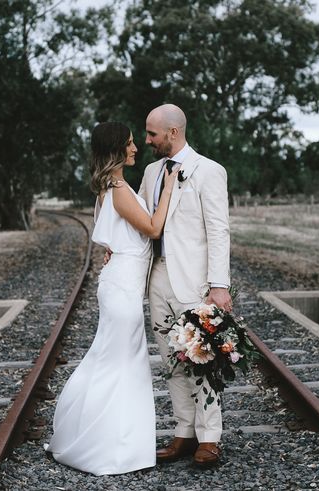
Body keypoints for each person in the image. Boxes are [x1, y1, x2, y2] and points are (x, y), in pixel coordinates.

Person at [45, 121, 178, 475]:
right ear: (117, 149)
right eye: (131, 144)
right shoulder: (118, 187)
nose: (136, 148)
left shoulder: (110, 187)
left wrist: (115, 250)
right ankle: (108, 447)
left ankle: (113, 441)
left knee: (114, 362)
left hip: (121, 284)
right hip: (122, 290)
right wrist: (167, 190)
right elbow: (152, 229)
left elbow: (112, 237)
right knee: (121, 364)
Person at [139, 104, 232, 467]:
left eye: (152, 134)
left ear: (173, 133)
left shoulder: (209, 171)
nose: (147, 140)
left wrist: (219, 285)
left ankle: (210, 438)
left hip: (194, 282)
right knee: (170, 360)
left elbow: (218, 230)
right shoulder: (150, 172)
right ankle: (184, 432)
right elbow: (146, 222)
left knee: (202, 358)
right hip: (157, 277)